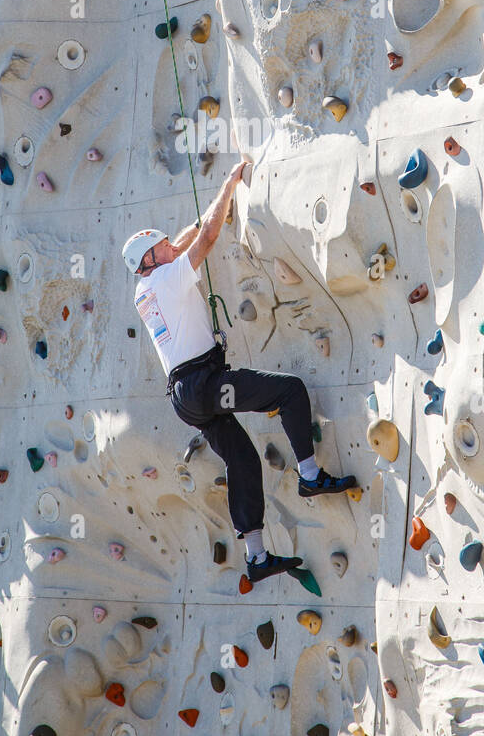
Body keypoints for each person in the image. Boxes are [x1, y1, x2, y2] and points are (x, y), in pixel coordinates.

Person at [123, 161, 357, 584]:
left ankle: (256, 556)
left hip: (187, 397)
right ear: (151, 259)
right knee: (288, 392)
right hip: (205, 386)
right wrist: (229, 185)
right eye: (162, 247)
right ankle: (309, 475)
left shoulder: (145, 287)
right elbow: (206, 238)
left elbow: (182, 242)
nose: (170, 248)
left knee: (243, 458)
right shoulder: (165, 279)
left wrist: (203, 217)